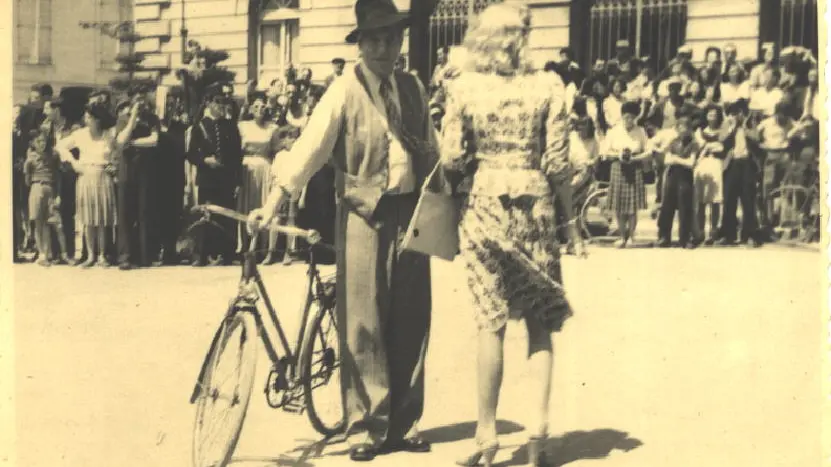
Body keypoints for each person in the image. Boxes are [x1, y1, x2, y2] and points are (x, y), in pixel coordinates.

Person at [248, 0, 438, 461]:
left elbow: (433, 150)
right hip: (362, 215)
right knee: (364, 322)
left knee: (412, 317)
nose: (383, 48)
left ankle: (402, 421)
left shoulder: (412, 87)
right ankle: (365, 426)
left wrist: (445, 211)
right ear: (360, 44)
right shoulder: (342, 91)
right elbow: (309, 151)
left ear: (400, 42)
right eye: (374, 39)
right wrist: (272, 203)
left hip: (411, 214)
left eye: (391, 39)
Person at [438, 5, 582, 467]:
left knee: (490, 321)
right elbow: (559, 164)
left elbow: (452, 159)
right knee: (540, 320)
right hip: (536, 204)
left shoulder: (462, 87)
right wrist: (571, 222)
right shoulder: (549, 86)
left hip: (483, 206)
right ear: (523, 37)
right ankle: (538, 433)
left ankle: (486, 435)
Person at [57, 102, 140, 267]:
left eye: (88, 117)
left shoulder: (108, 135)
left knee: (102, 218)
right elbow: (60, 146)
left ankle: (102, 255)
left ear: (97, 119)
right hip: (85, 176)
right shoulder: (80, 134)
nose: (85, 119)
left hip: (103, 177)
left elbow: (123, 139)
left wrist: (133, 119)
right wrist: (73, 162)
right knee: (88, 219)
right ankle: (90, 255)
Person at [185, 82, 243, 266]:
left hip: (225, 178)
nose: (220, 106)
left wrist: (237, 181)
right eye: (217, 102)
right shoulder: (199, 126)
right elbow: (191, 154)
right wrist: (204, 160)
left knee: (226, 215)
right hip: (207, 178)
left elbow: (236, 156)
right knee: (206, 216)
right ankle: (201, 254)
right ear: (209, 103)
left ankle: (225, 253)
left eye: (222, 102)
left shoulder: (230, 126)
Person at [115, 87, 161, 270]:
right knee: (125, 213)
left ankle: (144, 255)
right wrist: (132, 118)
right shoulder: (123, 120)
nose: (141, 103)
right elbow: (120, 140)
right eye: (138, 100)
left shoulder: (152, 119)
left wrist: (133, 143)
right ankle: (124, 256)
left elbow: (154, 140)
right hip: (127, 170)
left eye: (143, 100)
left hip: (145, 170)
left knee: (144, 212)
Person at [236, 92, 279, 257]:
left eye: (262, 106)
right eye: (256, 107)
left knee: (263, 206)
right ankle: (245, 246)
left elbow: (275, 151)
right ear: (250, 109)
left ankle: (263, 247)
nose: (259, 109)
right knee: (246, 206)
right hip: (246, 169)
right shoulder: (243, 126)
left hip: (265, 168)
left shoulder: (272, 127)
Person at [602, 101, 650, 247]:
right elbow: (604, 152)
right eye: (626, 117)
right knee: (619, 205)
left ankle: (631, 236)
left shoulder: (641, 131)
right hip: (618, 167)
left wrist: (635, 158)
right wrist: (619, 155)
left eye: (632, 117)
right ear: (622, 116)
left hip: (635, 167)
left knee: (632, 206)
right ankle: (622, 236)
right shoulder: (614, 131)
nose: (629, 120)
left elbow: (648, 151)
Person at [719, 99, 761, 246]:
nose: (738, 115)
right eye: (736, 112)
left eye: (741, 112)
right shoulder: (728, 124)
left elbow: (756, 138)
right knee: (729, 200)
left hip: (747, 164)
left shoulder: (751, 124)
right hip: (732, 164)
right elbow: (721, 139)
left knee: (748, 200)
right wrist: (732, 127)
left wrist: (744, 126)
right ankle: (728, 235)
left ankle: (749, 235)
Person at [655, 112, 700, 248]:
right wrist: (679, 160)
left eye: (686, 127)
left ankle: (685, 239)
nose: (683, 130)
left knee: (685, 208)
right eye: (680, 127)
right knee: (666, 207)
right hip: (672, 176)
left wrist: (676, 159)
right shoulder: (673, 142)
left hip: (685, 178)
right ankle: (664, 237)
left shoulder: (693, 144)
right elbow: (667, 160)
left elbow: (691, 163)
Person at [24, 130, 61, 266]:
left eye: (43, 141)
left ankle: (48, 251)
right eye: (38, 141)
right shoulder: (30, 159)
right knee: (38, 221)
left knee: (48, 221)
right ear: (33, 143)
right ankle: (41, 253)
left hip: (49, 188)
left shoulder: (53, 155)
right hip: (36, 186)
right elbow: (27, 180)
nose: (42, 144)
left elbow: (57, 174)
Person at [693, 106, 728, 244]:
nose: (712, 117)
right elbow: (699, 147)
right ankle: (700, 231)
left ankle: (713, 231)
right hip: (702, 164)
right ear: (706, 116)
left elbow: (722, 148)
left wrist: (709, 147)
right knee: (701, 199)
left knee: (715, 199)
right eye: (710, 115)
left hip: (716, 165)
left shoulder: (723, 132)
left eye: (715, 115)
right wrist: (709, 147)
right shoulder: (699, 131)